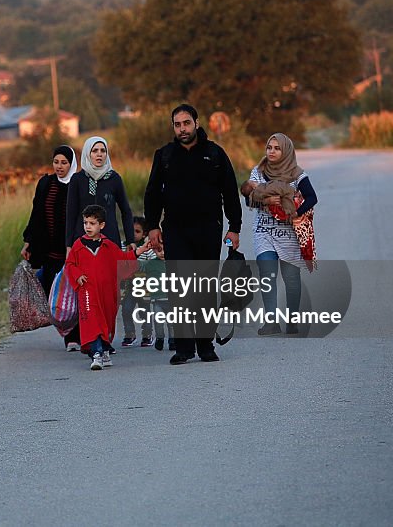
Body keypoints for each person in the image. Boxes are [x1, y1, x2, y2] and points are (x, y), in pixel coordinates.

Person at [144, 104, 242, 365]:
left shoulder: (215, 154)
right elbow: (152, 193)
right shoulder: (164, 156)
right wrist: (153, 226)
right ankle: (184, 348)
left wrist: (235, 228)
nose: (182, 129)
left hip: (209, 229)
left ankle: (206, 345)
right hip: (175, 230)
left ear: (196, 123)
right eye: (177, 125)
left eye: (186, 123)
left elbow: (230, 192)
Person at [240, 133, 318, 336]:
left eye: (277, 148)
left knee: (291, 278)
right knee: (267, 274)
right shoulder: (257, 172)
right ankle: (271, 322)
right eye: (269, 147)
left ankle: (292, 321)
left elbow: (312, 197)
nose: (271, 152)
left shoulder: (297, 174)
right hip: (263, 232)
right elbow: (248, 200)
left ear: (286, 151)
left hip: (289, 235)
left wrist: (295, 215)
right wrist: (265, 202)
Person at [65, 204, 147, 371]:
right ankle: (96, 354)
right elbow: (70, 264)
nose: (88, 227)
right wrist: (78, 274)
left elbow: (123, 259)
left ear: (101, 225)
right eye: (86, 223)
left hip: (107, 294)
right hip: (87, 292)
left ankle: (105, 350)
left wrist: (139, 251)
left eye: (92, 223)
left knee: (106, 322)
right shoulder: (78, 246)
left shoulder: (109, 246)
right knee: (91, 321)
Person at [21, 145, 81, 351]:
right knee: (52, 293)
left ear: (72, 163)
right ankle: (67, 329)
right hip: (48, 250)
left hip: (72, 248)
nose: (59, 166)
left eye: (64, 162)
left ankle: (74, 336)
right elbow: (36, 212)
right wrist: (28, 241)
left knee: (73, 293)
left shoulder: (78, 183)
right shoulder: (45, 183)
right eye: (56, 162)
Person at [65, 136, 135, 257]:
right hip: (82, 241)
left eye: (103, 151)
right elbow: (71, 214)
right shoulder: (77, 179)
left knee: (109, 275)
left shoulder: (114, 178)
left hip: (110, 239)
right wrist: (69, 246)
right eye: (95, 151)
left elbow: (126, 211)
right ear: (88, 153)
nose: (99, 154)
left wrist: (130, 240)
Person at [120, 216, 160, 348]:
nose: (133, 234)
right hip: (128, 286)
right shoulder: (122, 246)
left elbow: (151, 264)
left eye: (137, 231)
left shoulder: (147, 248)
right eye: (130, 231)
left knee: (144, 311)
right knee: (126, 309)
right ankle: (129, 334)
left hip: (143, 286)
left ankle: (147, 335)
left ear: (144, 234)